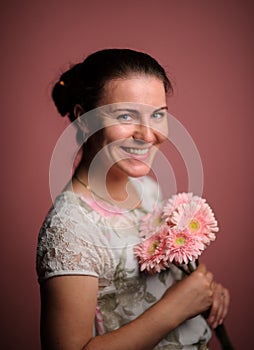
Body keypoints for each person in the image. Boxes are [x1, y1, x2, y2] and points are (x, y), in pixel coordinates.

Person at [36, 48, 230, 350]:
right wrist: (176, 307)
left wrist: (202, 292)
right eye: (125, 115)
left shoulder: (147, 191)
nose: (148, 134)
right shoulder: (70, 230)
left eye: (158, 115)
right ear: (84, 120)